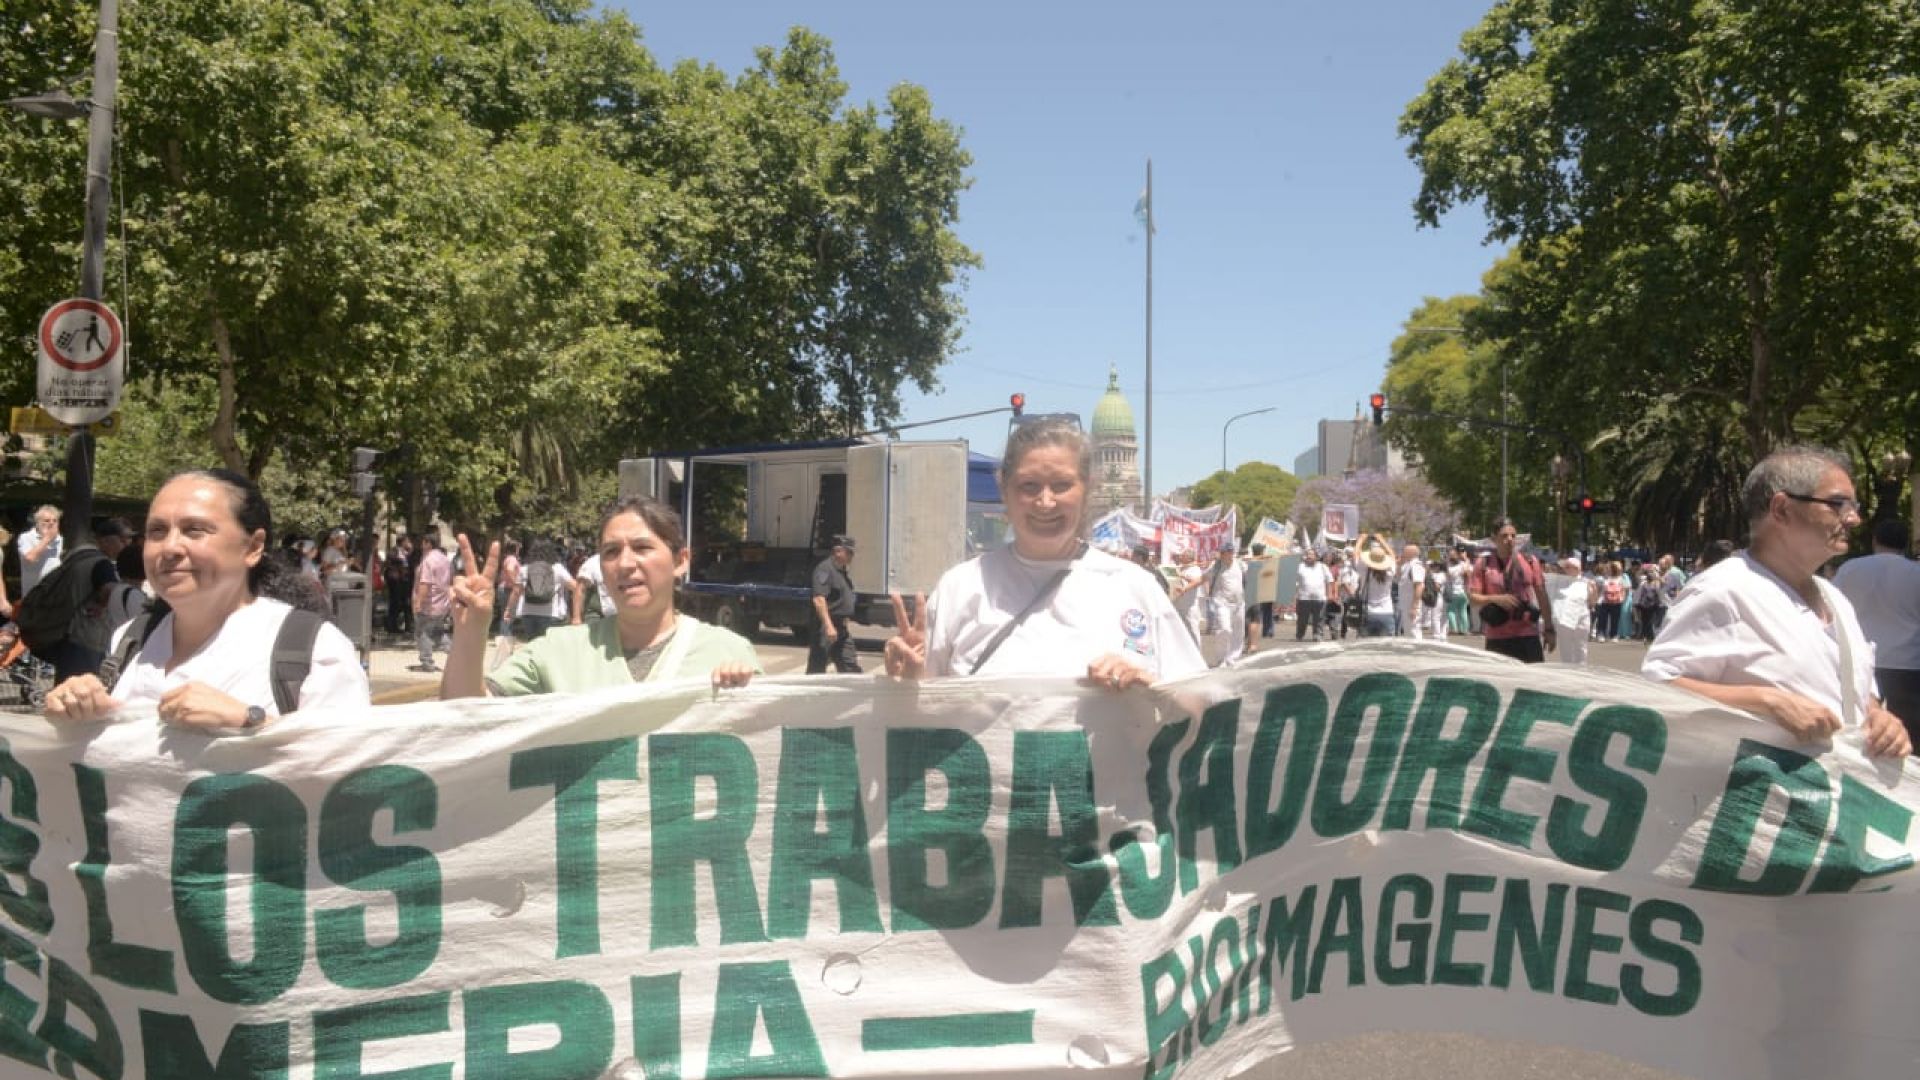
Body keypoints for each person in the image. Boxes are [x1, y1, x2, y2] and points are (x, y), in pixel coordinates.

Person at [884, 417, 1204, 685]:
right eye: (1029, 486)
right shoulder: (960, 588)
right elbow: (917, 718)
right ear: (1004, 489)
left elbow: (1199, 707)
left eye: (1062, 485)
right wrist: (908, 684)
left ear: (1087, 488)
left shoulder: (1135, 587)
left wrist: (1150, 684)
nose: (1045, 502)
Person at [43, 469, 370, 729]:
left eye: (195, 530)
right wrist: (74, 715)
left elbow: (348, 783)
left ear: (253, 547)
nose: (169, 548)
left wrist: (252, 722)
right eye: (157, 531)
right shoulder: (131, 639)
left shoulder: (312, 649)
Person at [1643, 445, 1908, 758]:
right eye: (1838, 504)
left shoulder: (1835, 598)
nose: (1855, 518)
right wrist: (1766, 701)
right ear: (1781, 509)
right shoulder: (1724, 590)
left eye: (1854, 505)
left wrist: (1879, 718)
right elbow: (1655, 689)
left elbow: (1857, 692)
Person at [440, 496, 758, 697]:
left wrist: (745, 696)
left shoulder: (727, 652)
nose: (625, 563)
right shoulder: (558, 653)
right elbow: (466, 718)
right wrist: (470, 632)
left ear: (681, 560)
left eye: (643, 548)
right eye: (611, 551)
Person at [1833, 518, 1920, 746]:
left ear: (1874, 540)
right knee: (1908, 732)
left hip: (1860, 662)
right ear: (1906, 542)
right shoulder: (1915, 573)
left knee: (1864, 729)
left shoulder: (1850, 569)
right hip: (1908, 662)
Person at [1466, 518, 1556, 662]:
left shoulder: (1530, 561)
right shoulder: (1483, 563)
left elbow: (1542, 596)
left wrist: (1549, 629)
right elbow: (1473, 598)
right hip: (1497, 637)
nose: (1510, 539)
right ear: (1493, 539)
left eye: (1513, 535)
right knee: (1501, 682)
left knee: (1532, 681)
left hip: (1527, 635)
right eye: (1504, 536)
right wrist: (1496, 599)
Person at [808, 535, 861, 674]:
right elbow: (819, 599)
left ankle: (850, 695)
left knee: (850, 667)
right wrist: (829, 626)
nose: (852, 556)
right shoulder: (825, 569)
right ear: (838, 551)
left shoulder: (841, 571)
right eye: (849, 552)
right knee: (817, 668)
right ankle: (811, 694)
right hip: (827, 627)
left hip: (841, 628)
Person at [511, 540, 573, 642]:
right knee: (548, 646)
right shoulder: (557, 568)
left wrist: (509, 610)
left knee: (532, 645)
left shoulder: (525, 569)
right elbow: (574, 587)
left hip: (528, 612)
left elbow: (516, 592)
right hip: (551, 613)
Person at [411, 532, 452, 672]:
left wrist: (418, 602)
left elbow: (425, 583)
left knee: (423, 632)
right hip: (443, 603)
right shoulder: (445, 559)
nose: (421, 545)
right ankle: (454, 655)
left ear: (428, 543)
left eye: (423, 542)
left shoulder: (428, 560)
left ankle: (427, 662)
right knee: (438, 633)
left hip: (429, 604)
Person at [1549, 556, 1597, 666]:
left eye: (1568, 567)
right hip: (1564, 618)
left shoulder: (1586, 583)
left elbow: (1592, 603)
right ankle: (1567, 669)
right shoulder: (1559, 582)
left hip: (1581, 617)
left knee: (1581, 646)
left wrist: (1594, 592)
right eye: (1565, 567)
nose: (1566, 569)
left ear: (1577, 568)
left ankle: (1581, 668)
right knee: (1565, 645)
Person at [17, 505, 62, 597]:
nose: (51, 523)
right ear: (37, 523)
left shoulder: (59, 539)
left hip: (54, 594)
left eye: (55, 520)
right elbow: (30, 558)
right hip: (33, 594)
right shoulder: (26, 537)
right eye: (47, 520)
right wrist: (46, 539)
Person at [1294, 548, 1332, 642]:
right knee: (1302, 619)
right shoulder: (1300, 567)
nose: (1309, 556)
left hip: (1319, 598)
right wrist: (1295, 595)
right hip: (1303, 598)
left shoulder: (1323, 567)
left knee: (1319, 618)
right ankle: (1300, 635)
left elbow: (1329, 581)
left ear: (1316, 557)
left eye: (1311, 555)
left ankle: (1317, 634)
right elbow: (1294, 582)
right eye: (1307, 554)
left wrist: (1329, 594)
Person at [382, 537, 414, 635]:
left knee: (406, 604)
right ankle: (392, 626)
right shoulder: (393, 551)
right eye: (407, 541)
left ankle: (407, 627)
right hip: (395, 582)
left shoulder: (408, 552)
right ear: (403, 542)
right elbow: (390, 562)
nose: (408, 543)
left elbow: (410, 562)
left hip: (405, 581)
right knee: (395, 603)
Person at [1395, 543, 1427, 638]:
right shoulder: (1407, 565)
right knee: (1408, 630)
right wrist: (1399, 564)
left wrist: (1414, 606)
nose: (1402, 553)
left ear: (1411, 553)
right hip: (1405, 603)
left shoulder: (1416, 565)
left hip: (1411, 604)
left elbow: (1419, 586)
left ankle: (1417, 651)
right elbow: (1398, 577)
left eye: (1404, 551)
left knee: (1414, 630)